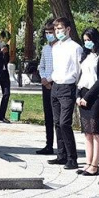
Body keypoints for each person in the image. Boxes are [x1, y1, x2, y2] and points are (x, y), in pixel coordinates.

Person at [48, 17, 83, 170]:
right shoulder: (55, 47)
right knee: (56, 122)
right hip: (56, 86)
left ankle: (72, 157)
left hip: (68, 87)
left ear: (68, 29)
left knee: (64, 123)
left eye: (60, 29)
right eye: (56, 29)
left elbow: (79, 70)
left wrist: (78, 90)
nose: (58, 32)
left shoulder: (76, 48)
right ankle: (61, 154)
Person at [75, 28, 99, 176]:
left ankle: (95, 164)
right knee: (87, 132)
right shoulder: (86, 56)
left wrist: (87, 97)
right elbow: (80, 76)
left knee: (95, 132)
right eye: (85, 41)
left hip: (95, 97)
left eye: (89, 40)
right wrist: (78, 95)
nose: (87, 43)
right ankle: (87, 162)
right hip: (82, 93)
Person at [35, 20, 57, 155]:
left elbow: (60, 68)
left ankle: (62, 147)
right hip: (45, 84)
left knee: (58, 118)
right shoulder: (45, 49)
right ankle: (49, 144)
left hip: (56, 83)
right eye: (47, 33)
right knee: (48, 116)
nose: (49, 35)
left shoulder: (60, 49)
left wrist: (49, 80)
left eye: (51, 32)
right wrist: (43, 78)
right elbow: (41, 65)